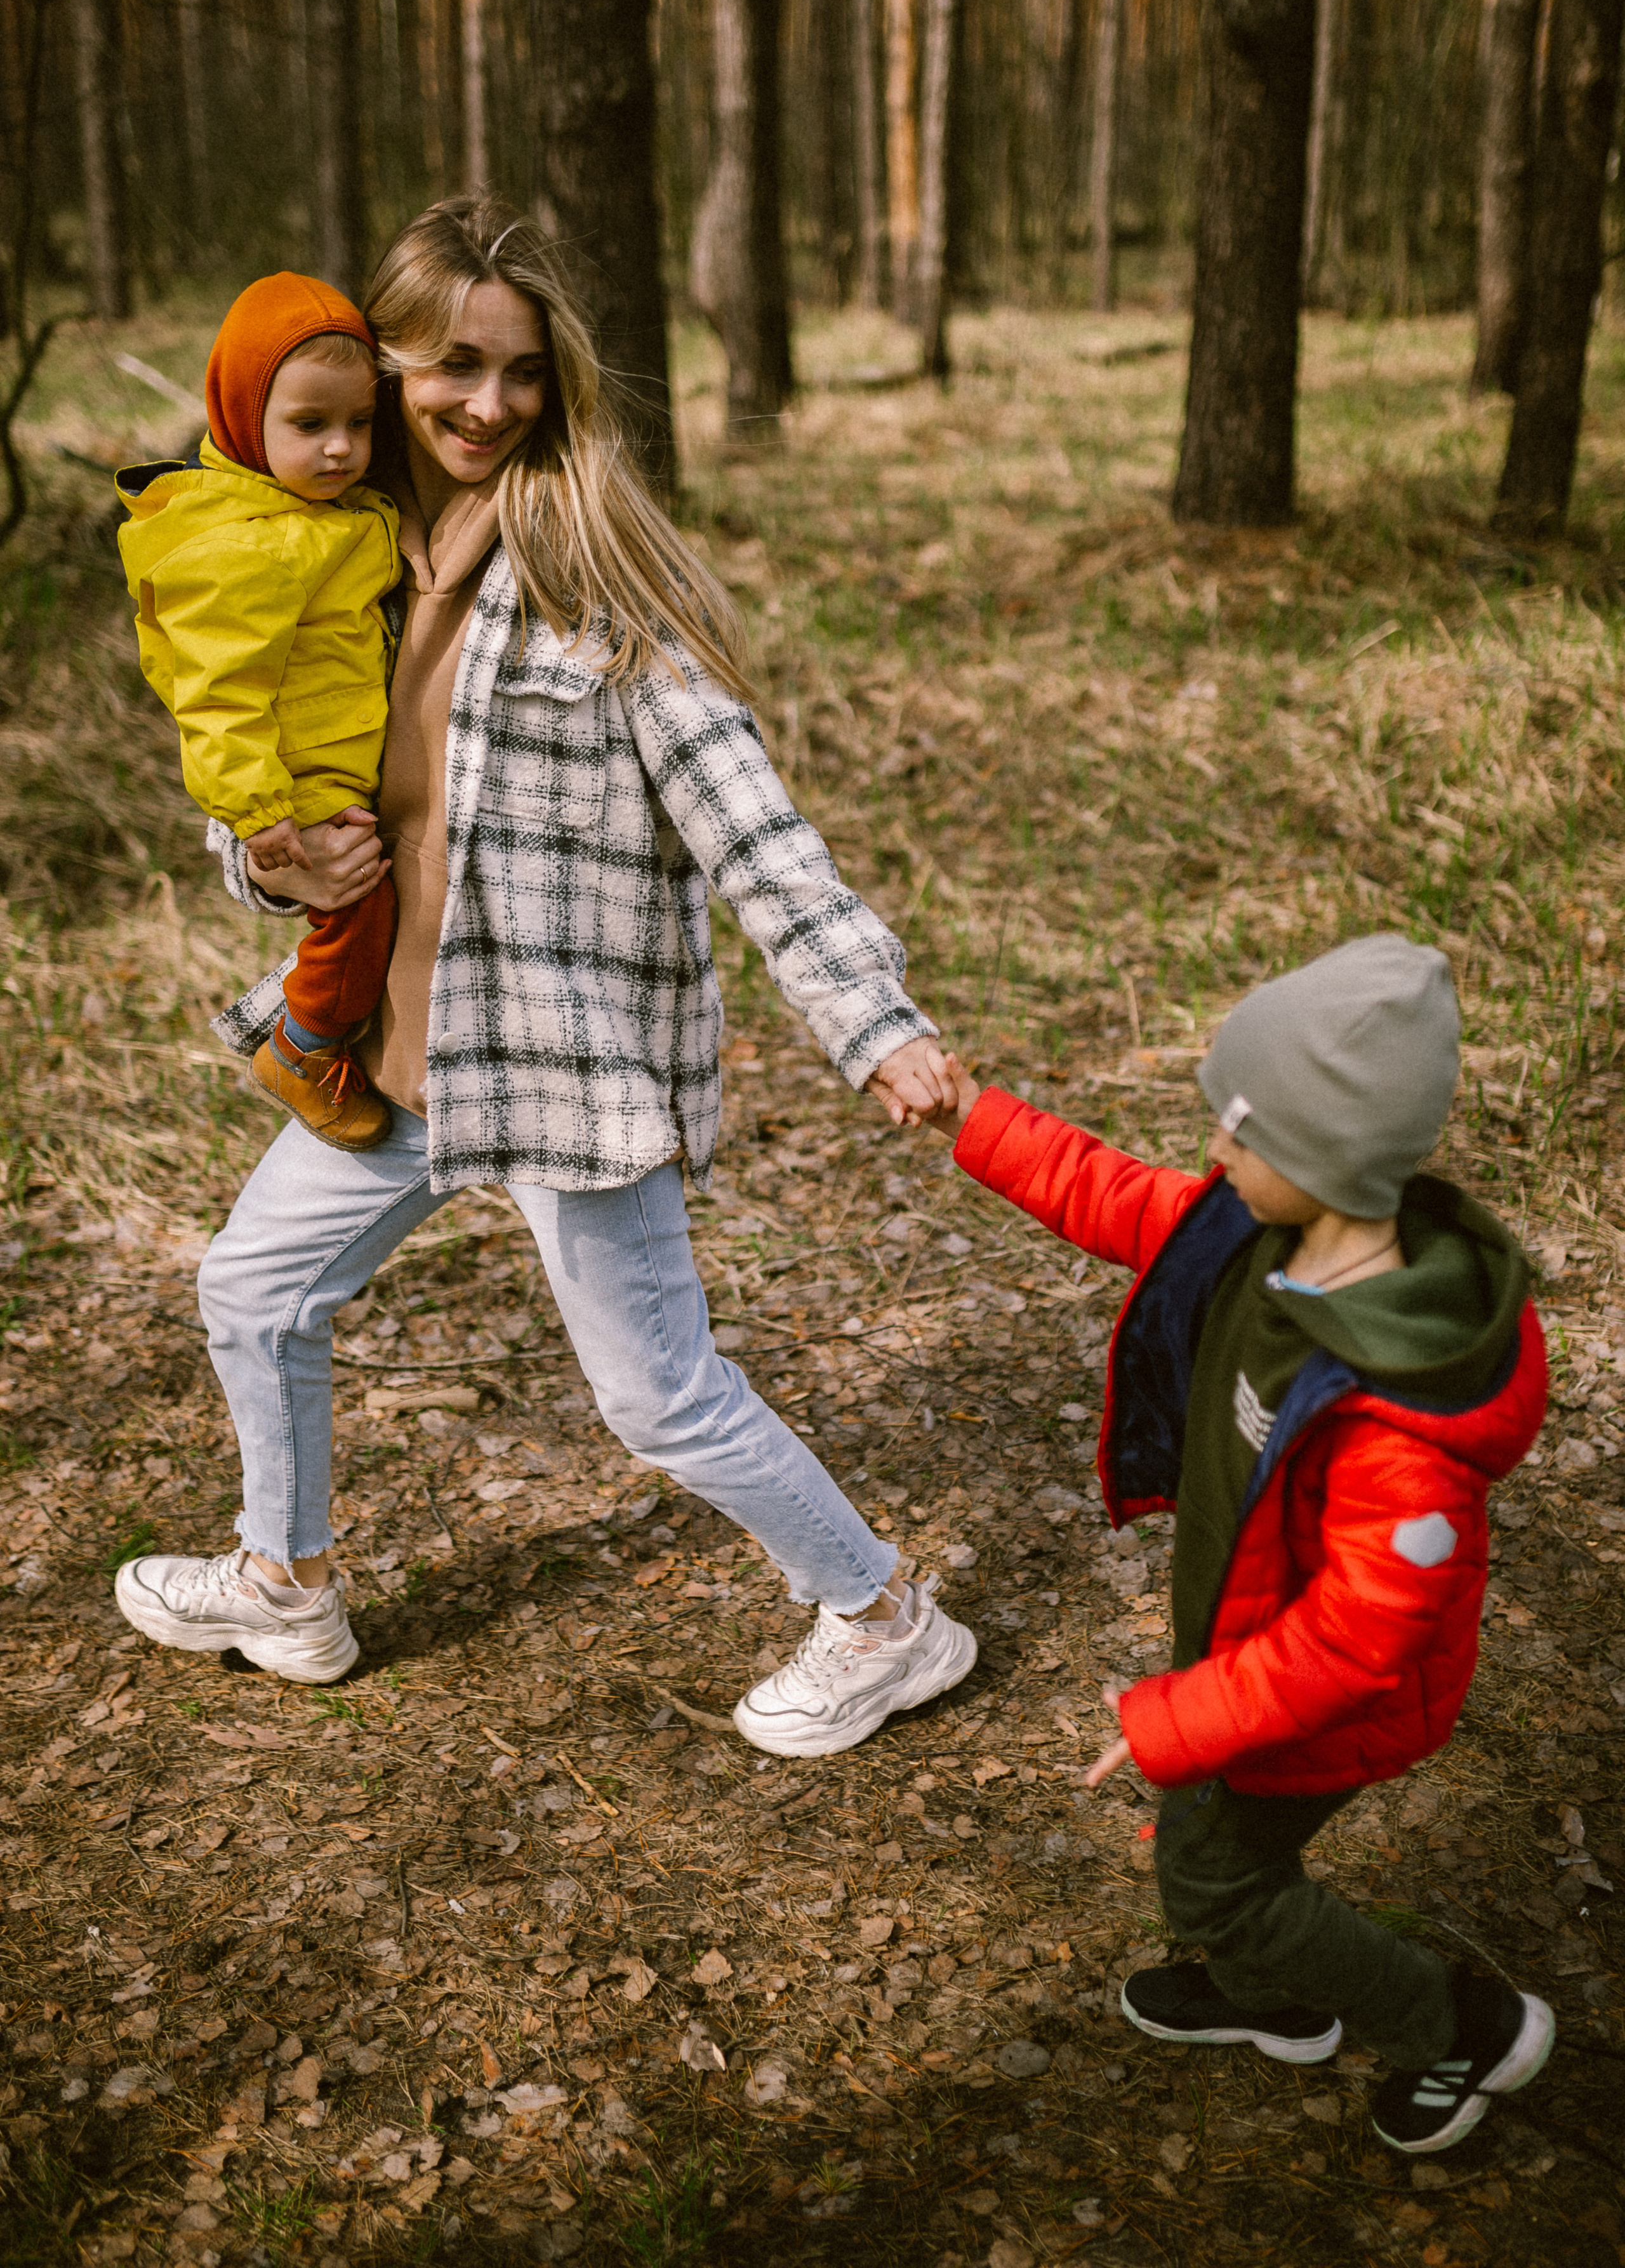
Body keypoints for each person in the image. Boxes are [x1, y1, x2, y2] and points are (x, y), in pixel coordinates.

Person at [114, 193, 977, 1758]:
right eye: (452, 367)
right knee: (251, 1289)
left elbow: (752, 829)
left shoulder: (597, 588)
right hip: (397, 1053)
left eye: (519, 372)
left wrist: (872, 1023)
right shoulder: (338, 562)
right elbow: (274, 788)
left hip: (565, 1069)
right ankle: (285, 1582)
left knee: (660, 1399)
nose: (486, 403)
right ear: (382, 369)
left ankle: (882, 1616)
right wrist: (268, 864)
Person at [925, 935, 1553, 2156]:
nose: (1213, 1149)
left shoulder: (1399, 1420)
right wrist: (975, 1120)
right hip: (1247, 1644)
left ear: (1318, 1157)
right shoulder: (1264, 1233)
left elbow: (1361, 1639)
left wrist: (1184, 1719)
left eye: (1239, 1129)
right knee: (1218, 1853)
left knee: (1214, 1878)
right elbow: (1118, 1197)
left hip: (1320, 1705)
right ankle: (1273, 2000)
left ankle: (1459, 2031)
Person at [117, 274, 401, 1152]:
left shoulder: (327, 514)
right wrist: (258, 811)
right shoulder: (240, 546)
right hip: (303, 779)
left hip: (345, 756)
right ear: (245, 417)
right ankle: (301, 1048)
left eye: (360, 423)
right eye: (309, 425)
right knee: (361, 912)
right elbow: (216, 695)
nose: (340, 449)